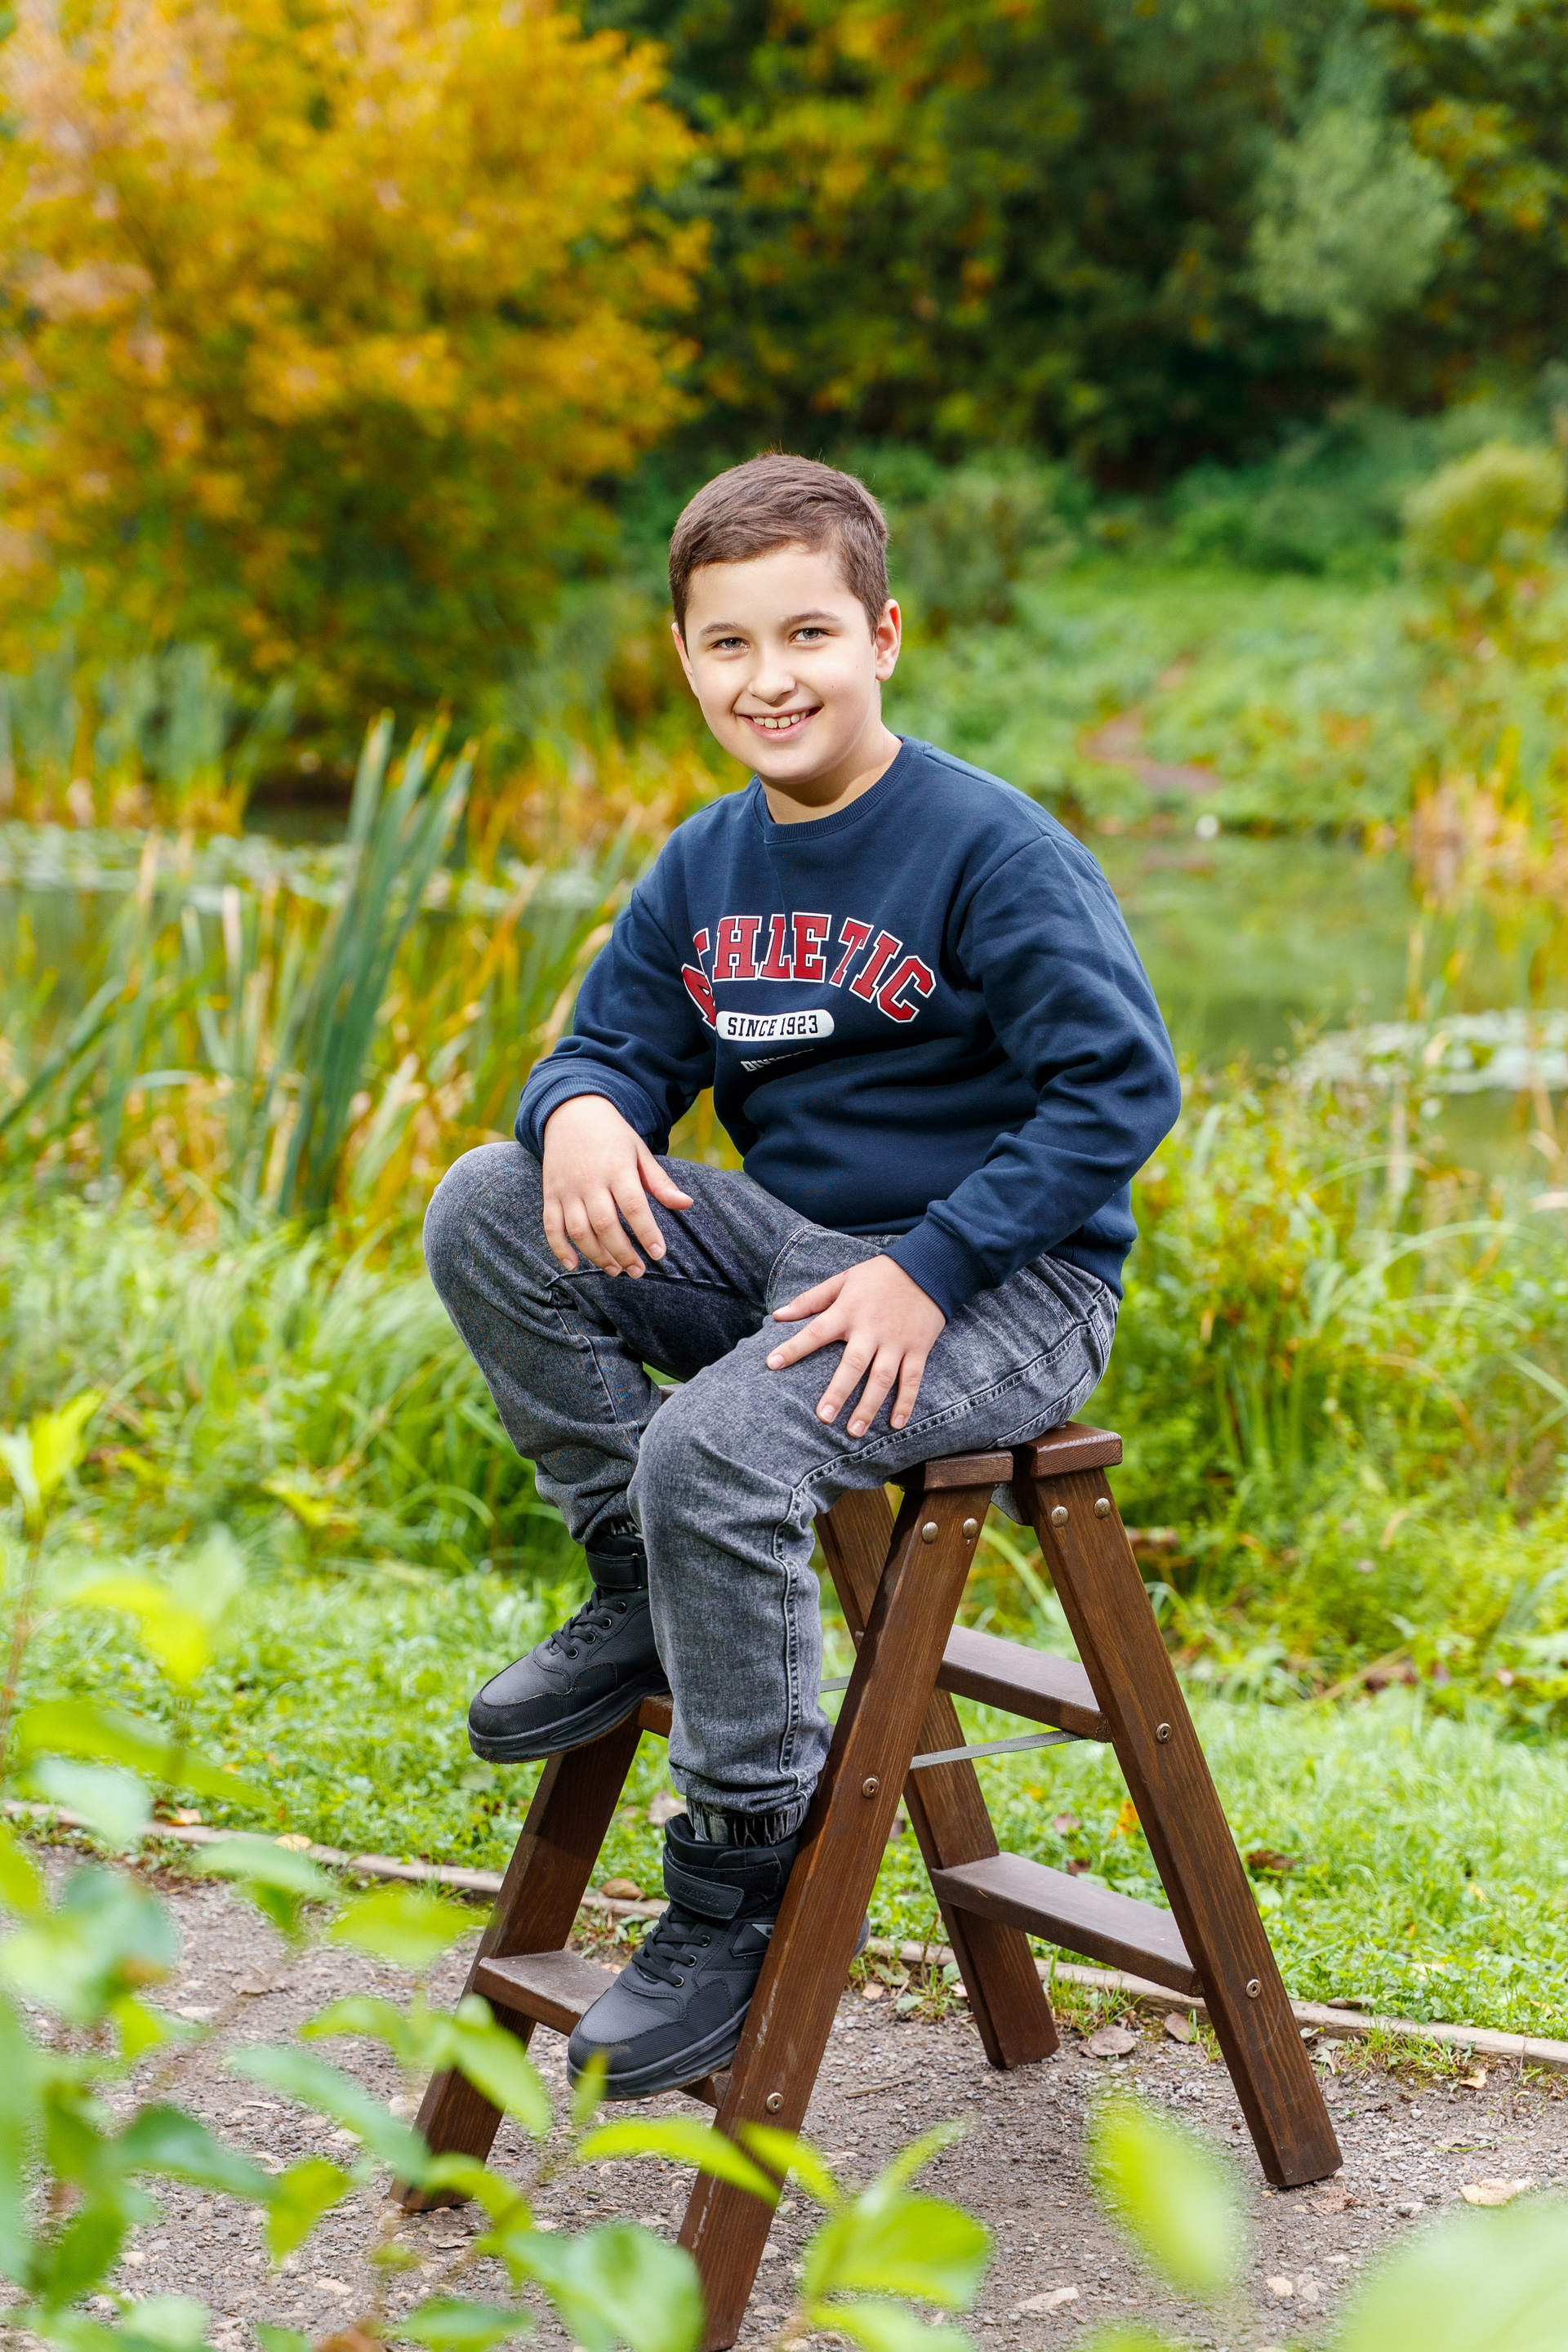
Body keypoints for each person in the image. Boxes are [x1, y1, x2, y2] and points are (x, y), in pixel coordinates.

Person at [422, 452, 1181, 2100]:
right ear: (686, 658)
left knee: (715, 1446)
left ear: (884, 636)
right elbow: (609, 1050)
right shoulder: (708, 864)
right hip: (797, 1250)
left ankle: (736, 1886)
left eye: (809, 635)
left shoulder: (989, 849)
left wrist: (936, 1266)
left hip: (1008, 1287)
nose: (770, 679)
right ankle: (641, 1581)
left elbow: (1121, 1090)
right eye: (730, 645)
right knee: (487, 1200)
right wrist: (580, 1114)